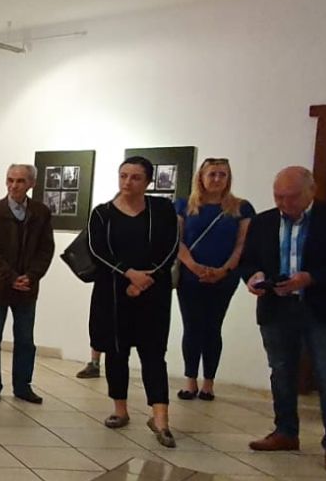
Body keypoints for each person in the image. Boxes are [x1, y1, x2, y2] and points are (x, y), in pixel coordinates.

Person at [239, 167, 326, 477]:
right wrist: (254, 277)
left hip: (325, 308)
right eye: (278, 197)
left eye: (292, 197)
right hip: (277, 309)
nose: (285, 203)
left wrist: (311, 278)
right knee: (281, 372)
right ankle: (285, 431)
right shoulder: (264, 221)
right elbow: (249, 260)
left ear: (312, 190)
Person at [87, 157, 181, 446]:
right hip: (114, 293)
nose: (128, 182)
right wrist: (129, 275)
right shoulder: (102, 213)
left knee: (154, 353)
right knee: (117, 352)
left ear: (148, 182)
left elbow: (171, 247)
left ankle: (160, 418)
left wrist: (145, 279)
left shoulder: (162, 209)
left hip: (153, 291)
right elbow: (97, 250)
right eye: (123, 176)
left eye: (136, 177)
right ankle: (120, 409)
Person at [173, 158, 255, 402]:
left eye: (222, 174)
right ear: (201, 176)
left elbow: (242, 244)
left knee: (212, 327)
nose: (217, 179)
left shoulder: (241, 208)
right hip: (190, 276)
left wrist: (224, 270)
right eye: (212, 174)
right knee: (192, 327)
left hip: (224, 277)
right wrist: (193, 266)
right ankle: (190, 381)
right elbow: (177, 240)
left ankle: (208, 383)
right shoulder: (184, 205)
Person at [0, 164, 55, 404]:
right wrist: (11, 277)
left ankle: (22, 386)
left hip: (27, 289)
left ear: (31, 184)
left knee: (25, 341)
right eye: (10, 180)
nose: (14, 185)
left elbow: (46, 249)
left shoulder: (40, 213)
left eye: (20, 181)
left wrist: (31, 276)